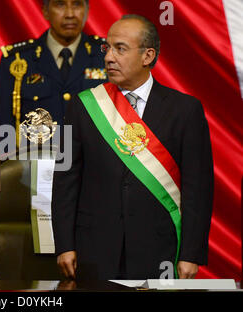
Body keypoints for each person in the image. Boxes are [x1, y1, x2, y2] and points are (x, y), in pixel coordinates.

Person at [51, 14, 214, 280]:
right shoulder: (83, 106)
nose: (108, 57)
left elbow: (199, 190)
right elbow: (66, 178)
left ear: (148, 56)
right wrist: (64, 245)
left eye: (120, 49)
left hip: (160, 248)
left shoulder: (185, 110)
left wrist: (191, 254)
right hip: (93, 248)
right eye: (107, 48)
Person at [0, 0, 107, 147]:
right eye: (60, 4)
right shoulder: (18, 60)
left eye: (77, 4)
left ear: (87, 10)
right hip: (36, 164)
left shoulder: (106, 56)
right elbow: (5, 128)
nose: (70, 14)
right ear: (46, 11)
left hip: (93, 165)